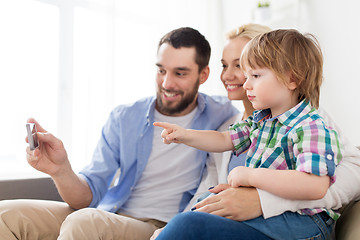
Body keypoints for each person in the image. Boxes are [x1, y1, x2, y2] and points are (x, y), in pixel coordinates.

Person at [0, 27, 239, 240]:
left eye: (180, 73)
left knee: (84, 222)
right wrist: (60, 170)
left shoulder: (224, 115)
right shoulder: (125, 117)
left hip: (158, 226)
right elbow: (87, 197)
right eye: (161, 70)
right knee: (6, 214)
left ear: (204, 75)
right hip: (110, 213)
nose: (166, 83)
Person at [154, 29, 343, 239]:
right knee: (207, 201)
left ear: (292, 79)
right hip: (274, 217)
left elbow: (315, 185)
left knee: (189, 223)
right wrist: (185, 135)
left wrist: (251, 176)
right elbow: (225, 139)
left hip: (303, 223)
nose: (246, 84)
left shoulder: (311, 126)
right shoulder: (260, 120)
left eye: (255, 76)